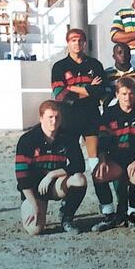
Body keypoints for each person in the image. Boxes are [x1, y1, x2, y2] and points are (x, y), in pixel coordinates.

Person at [15, 101, 88, 235]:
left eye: (57, 117)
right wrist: (34, 205)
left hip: (55, 184)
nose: (54, 121)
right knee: (34, 230)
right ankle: (33, 206)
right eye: (50, 117)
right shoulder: (27, 140)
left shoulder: (68, 137)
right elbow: (22, 178)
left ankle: (67, 217)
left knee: (79, 179)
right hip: (33, 189)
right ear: (41, 118)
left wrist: (51, 175)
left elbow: (79, 165)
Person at [92, 77, 135, 232]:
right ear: (117, 94)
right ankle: (109, 214)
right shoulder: (109, 113)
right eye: (124, 93)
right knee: (98, 174)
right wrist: (102, 160)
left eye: (131, 93)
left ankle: (132, 214)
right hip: (117, 158)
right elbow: (103, 141)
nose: (128, 97)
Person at [51, 28, 104, 174]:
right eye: (73, 40)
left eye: (80, 40)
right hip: (69, 118)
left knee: (96, 163)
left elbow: (100, 92)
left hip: (91, 116)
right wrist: (88, 90)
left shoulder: (95, 65)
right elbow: (60, 95)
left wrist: (73, 88)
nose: (77, 43)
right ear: (68, 43)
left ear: (85, 43)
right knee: (75, 164)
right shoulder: (59, 67)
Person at [103, 42, 135, 106]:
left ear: (130, 56)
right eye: (119, 52)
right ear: (114, 56)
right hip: (113, 111)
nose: (123, 55)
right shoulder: (106, 74)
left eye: (126, 53)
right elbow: (104, 96)